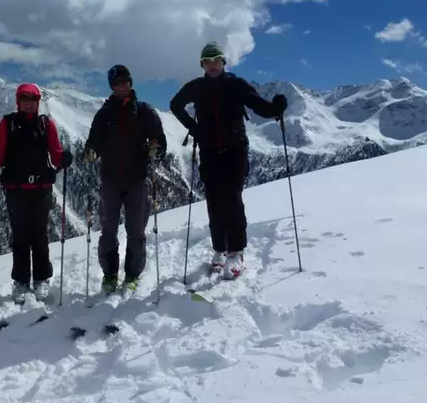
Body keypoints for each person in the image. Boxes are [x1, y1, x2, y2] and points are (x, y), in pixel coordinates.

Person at [169, 41, 288, 280]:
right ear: (202, 64)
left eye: (216, 60)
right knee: (214, 202)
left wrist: (276, 108)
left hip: (235, 150)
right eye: (207, 61)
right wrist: (194, 128)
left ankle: (236, 251)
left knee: (232, 199)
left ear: (223, 62)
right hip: (210, 151)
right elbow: (175, 105)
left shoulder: (236, 85)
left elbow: (259, 107)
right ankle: (219, 250)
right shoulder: (197, 87)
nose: (212, 65)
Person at [84, 64, 167, 295]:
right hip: (110, 178)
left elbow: (160, 141)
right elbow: (94, 141)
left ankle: (132, 275)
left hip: (137, 178)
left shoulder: (144, 111)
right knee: (108, 229)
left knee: (136, 230)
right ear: (111, 86)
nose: (121, 86)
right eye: (116, 83)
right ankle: (110, 274)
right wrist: (91, 151)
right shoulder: (104, 113)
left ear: (130, 83)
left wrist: (156, 149)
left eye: (124, 81)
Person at [0, 83, 73, 304]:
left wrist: (63, 158)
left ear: (37, 102)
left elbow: (55, 154)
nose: (28, 103)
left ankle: (41, 278)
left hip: (40, 190)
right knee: (21, 237)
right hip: (16, 190)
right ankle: (22, 281)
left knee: (39, 236)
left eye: (32, 99)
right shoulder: (8, 124)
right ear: (18, 101)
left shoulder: (46, 124)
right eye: (24, 99)